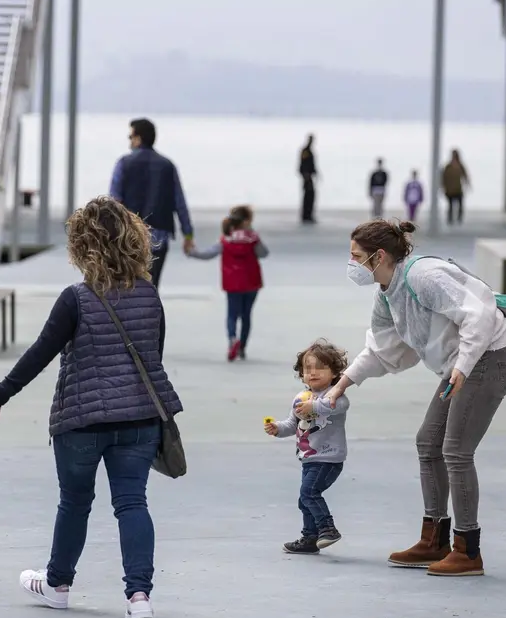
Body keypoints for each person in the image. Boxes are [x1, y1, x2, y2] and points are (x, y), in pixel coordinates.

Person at [0, 196, 183, 618]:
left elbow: (40, 354)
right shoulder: (150, 294)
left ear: (81, 246)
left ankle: (57, 585)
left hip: (81, 421)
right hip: (139, 419)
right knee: (132, 503)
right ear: (134, 238)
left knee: (74, 502)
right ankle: (139, 597)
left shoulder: (76, 298)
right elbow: (153, 356)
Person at [325, 219, 506, 577]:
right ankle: (434, 540)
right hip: (461, 366)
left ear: (378, 256)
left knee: (456, 451)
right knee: (428, 442)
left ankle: (468, 550)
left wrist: (462, 365)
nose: (351, 264)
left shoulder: (424, 277)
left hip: (490, 357)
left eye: (356, 257)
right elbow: (383, 349)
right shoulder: (387, 292)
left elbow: (478, 313)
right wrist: (341, 385)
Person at [264, 339, 350, 555]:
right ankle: (310, 538)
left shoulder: (336, 396)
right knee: (305, 499)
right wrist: (277, 428)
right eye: (307, 369)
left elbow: (334, 407)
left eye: (320, 367)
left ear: (334, 372)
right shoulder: (301, 398)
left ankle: (327, 529)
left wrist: (314, 406)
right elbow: (293, 424)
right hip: (309, 457)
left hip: (329, 458)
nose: (313, 373)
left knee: (309, 493)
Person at [110, 118, 194, 288]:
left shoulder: (124, 164)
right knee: (152, 286)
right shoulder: (167, 165)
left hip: (129, 235)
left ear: (138, 138)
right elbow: (180, 202)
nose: (129, 141)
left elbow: (114, 202)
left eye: (130, 136)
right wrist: (188, 234)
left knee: (128, 286)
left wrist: (110, 234)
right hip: (159, 237)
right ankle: (153, 313)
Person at [186, 205, 269, 361]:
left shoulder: (225, 240)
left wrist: (192, 252)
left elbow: (208, 254)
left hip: (233, 283)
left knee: (232, 314)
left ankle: (232, 340)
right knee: (246, 315)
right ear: (247, 221)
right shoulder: (253, 238)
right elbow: (263, 253)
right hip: (251, 282)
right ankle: (243, 347)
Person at [441, 149, 470, 225]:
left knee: (460, 205)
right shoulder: (448, 166)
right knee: (450, 206)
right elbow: (444, 177)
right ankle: (450, 219)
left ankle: (459, 218)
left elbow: (465, 175)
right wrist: (443, 187)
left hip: (458, 189)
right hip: (450, 190)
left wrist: (468, 184)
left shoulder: (460, 165)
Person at [298, 134, 318, 224]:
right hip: (307, 178)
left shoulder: (309, 151)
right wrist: (306, 175)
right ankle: (306, 215)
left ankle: (308, 215)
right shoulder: (306, 151)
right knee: (308, 196)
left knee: (310, 196)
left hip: (310, 177)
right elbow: (304, 165)